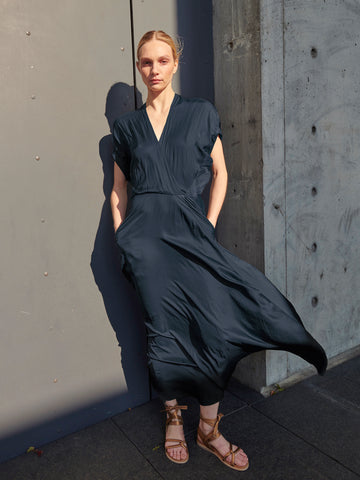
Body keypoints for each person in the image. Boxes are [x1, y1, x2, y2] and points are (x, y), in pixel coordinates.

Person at [110, 30, 327, 471]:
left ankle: (209, 428)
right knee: (162, 330)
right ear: (139, 66)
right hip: (145, 245)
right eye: (146, 62)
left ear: (176, 63)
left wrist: (207, 226)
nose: (154, 70)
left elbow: (221, 172)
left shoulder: (200, 113)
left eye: (162, 61)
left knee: (211, 327)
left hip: (192, 236)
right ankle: (174, 417)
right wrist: (124, 238)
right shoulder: (126, 127)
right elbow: (117, 191)